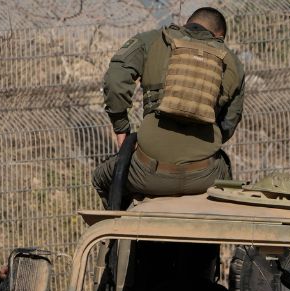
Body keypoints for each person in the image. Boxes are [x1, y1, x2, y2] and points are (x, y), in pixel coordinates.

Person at [92, 7, 246, 204]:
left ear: (187, 23)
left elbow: (115, 81)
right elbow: (229, 123)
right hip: (206, 176)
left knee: (102, 177)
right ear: (219, 36)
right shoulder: (233, 62)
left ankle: (118, 230)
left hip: (147, 174)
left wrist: (121, 128)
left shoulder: (153, 40)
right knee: (224, 167)